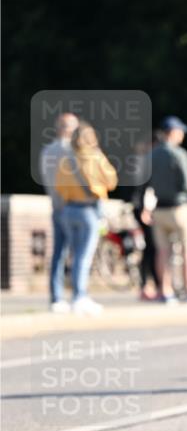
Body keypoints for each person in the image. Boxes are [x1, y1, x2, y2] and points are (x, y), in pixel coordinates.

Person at [55, 120, 118, 315]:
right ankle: (80, 296)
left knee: (74, 255)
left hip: (68, 210)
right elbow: (112, 181)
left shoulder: (66, 160)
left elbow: (60, 187)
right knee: (84, 256)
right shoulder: (95, 158)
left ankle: (75, 295)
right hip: (88, 210)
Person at [148, 116, 187, 303]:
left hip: (158, 209)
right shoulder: (179, 154)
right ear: (173, 132)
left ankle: (165, 292)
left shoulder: (152, 154)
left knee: (162, 253)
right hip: (178, 209)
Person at [39, 112, 79, 312]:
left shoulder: (47, 151)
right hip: (72, 206)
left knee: (58, 253)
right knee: (78, 254)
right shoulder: (71, 152)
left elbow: (47, 180)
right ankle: (78, 296)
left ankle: (56, 297)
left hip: (56, 206)